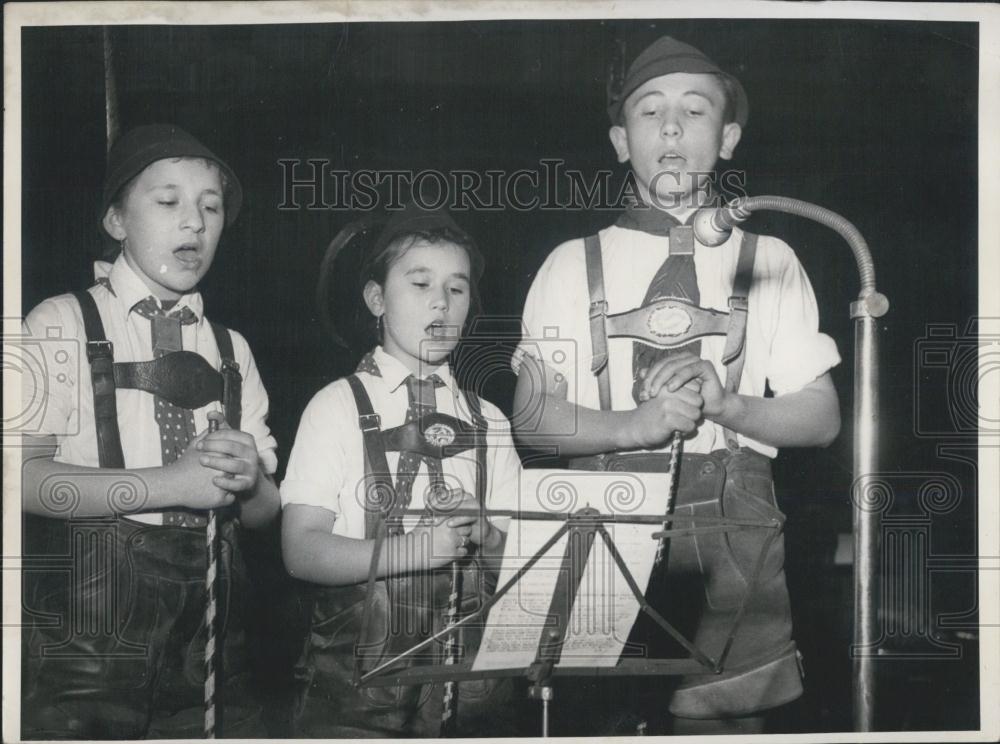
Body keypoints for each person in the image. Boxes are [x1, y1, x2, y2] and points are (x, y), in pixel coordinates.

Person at [512, 35, 842, 735]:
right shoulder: (571, 264)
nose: (669, 127)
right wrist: (636, 425)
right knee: (599, 722)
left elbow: (821, 417)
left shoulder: (770, 257)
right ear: (619, 140)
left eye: (694, 112)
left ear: (726, 139)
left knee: (723, 723)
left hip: (737, 525)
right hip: (602, 514)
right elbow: (533, 417)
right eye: (649, 112)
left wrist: (728, 404)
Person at [20, 124, 279, 739]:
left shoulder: (231, 348)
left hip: (214, 640)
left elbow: (268, 513)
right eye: (168, 202)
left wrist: (251, 481)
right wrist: (172, 483)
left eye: (210, 207)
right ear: (116, 221)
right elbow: (21, 481)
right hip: (88, 639)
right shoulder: (60, 320)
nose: (194, 222)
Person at [281, 204, 521, 738]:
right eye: (420, 283)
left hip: (472, 699)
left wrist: (486, 533)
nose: (441, 300)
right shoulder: (336, 405)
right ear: (376, 300)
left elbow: (521, 566)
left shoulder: (491, 421)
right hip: (353, 698)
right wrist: (415, 550)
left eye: (457, 289)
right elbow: (300, 551)